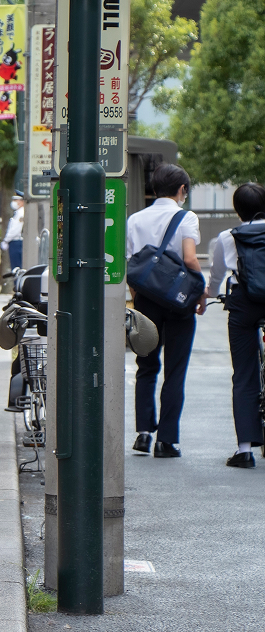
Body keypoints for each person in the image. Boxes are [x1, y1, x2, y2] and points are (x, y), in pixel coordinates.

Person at [125, 163, 204, 459]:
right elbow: (190, 259)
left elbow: (130, 265)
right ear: (182, 190)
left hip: (146, 301)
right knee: (175, 370)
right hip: (179, 302)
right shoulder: (186, 217)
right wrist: (201, 291)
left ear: (154, 189)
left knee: (146, 367)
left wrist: (139, 296)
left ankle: (144, 434)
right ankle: (166, 441)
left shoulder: (135, 219)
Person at [206, 182, 265, 468]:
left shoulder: (227, 236)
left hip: (243, 302)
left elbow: (217, 274)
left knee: (243, 373)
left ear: (237, 209)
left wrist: (208, 295)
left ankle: (244, 451)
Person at [1, 194, 25, 270]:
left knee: (16, 267)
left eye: (16, 200)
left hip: (16, 242)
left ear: (22, 202)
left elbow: (15, 229)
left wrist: (6, 240)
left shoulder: (21, 213)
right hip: (16, 241)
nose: (13, 202)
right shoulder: (18, 212)